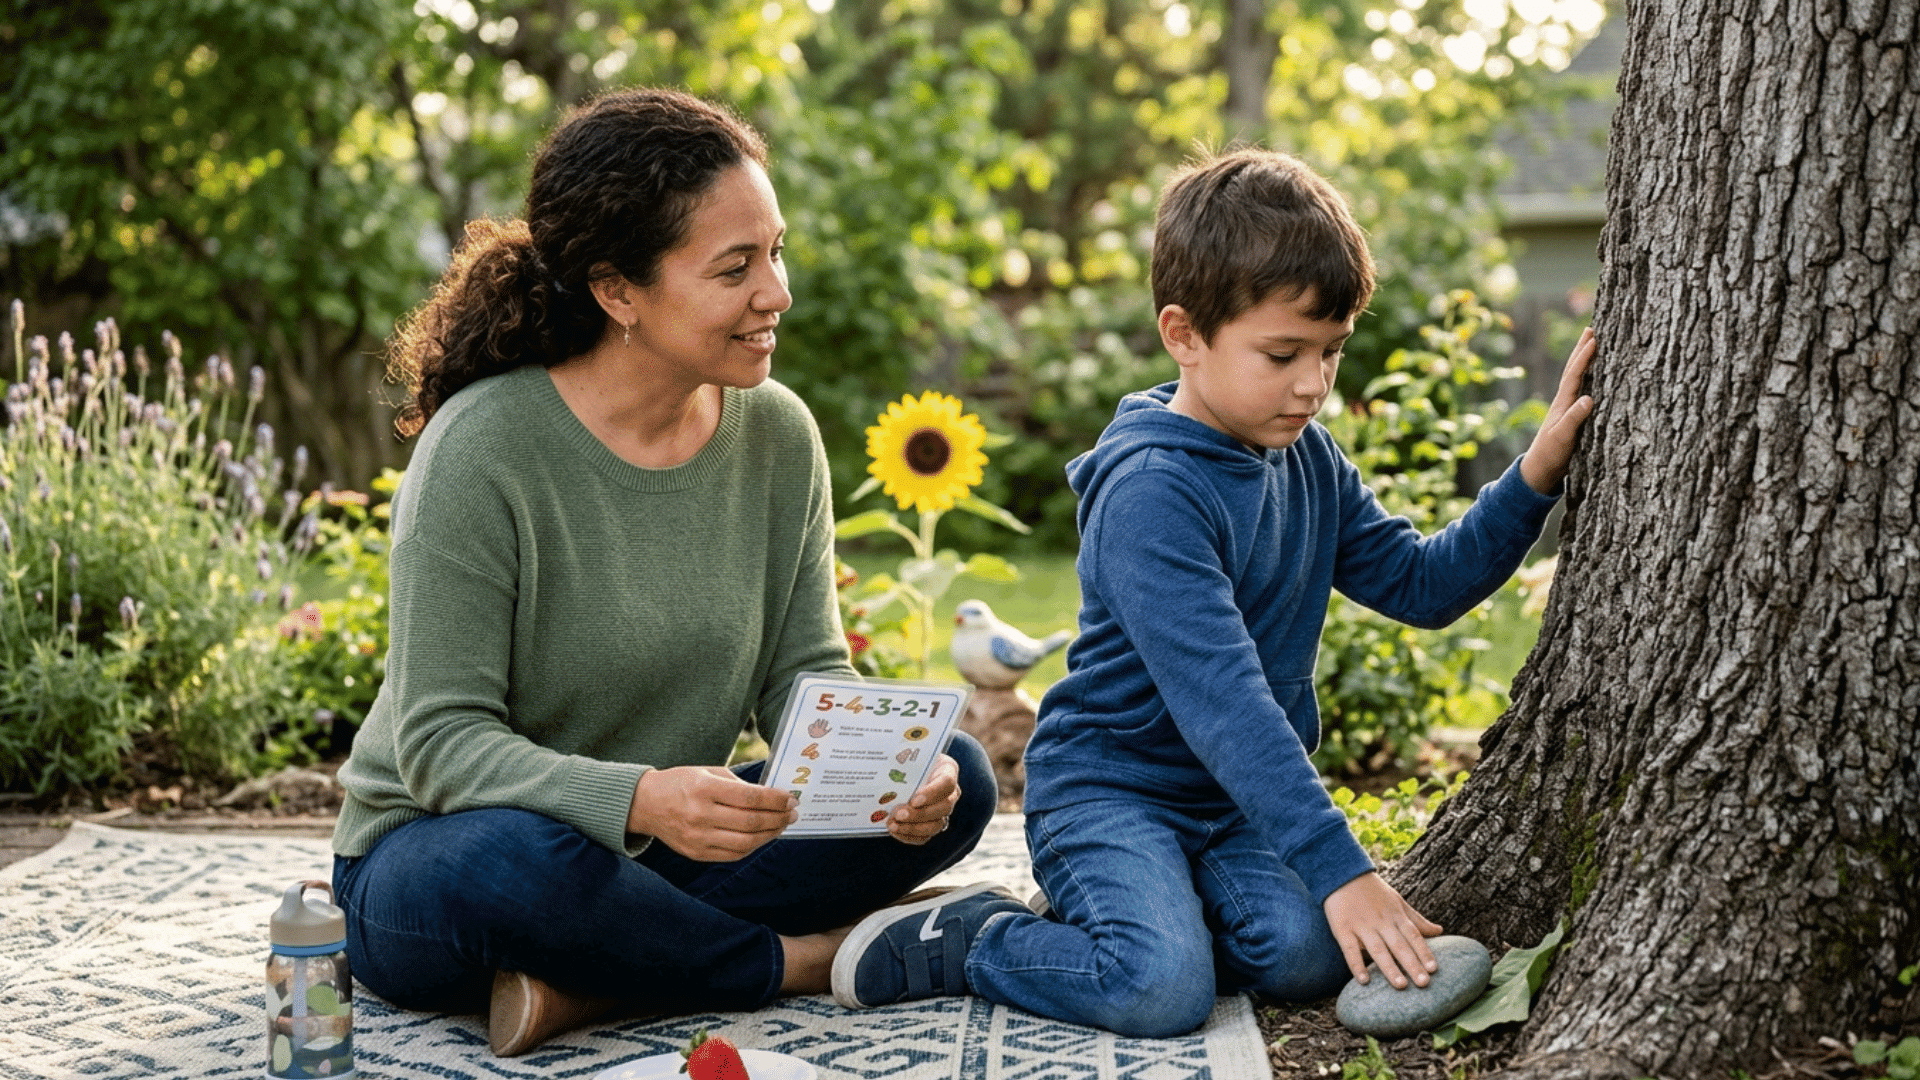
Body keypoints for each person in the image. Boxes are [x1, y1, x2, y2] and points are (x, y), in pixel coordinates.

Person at [828, 148, 1596, 1037]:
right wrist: (1346, 874)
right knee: (1159, 988)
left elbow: (1421, 586)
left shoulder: (1304, 455)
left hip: (1228, 806)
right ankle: (980, 937)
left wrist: (1536, 473)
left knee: (1305, 957)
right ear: (1184, 335)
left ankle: (1154, 907)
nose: (1313, 383)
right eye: (1282, 353)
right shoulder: (1152, 492)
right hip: (1112, 789)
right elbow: (1226, 703)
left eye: (1331, 352)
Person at [328, 87, 997, 1058]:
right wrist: (639, 800)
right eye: (735, 267)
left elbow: (805, 674)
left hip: (669, 860)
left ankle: (591, 983)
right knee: (523, 863)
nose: (777, 292)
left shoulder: (777, 433)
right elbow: (438, 744)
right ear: (618, 292)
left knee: (962, 777)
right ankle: (806, 959)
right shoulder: (485, 449)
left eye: (776, 250)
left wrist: (884, 775)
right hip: (447, 856)